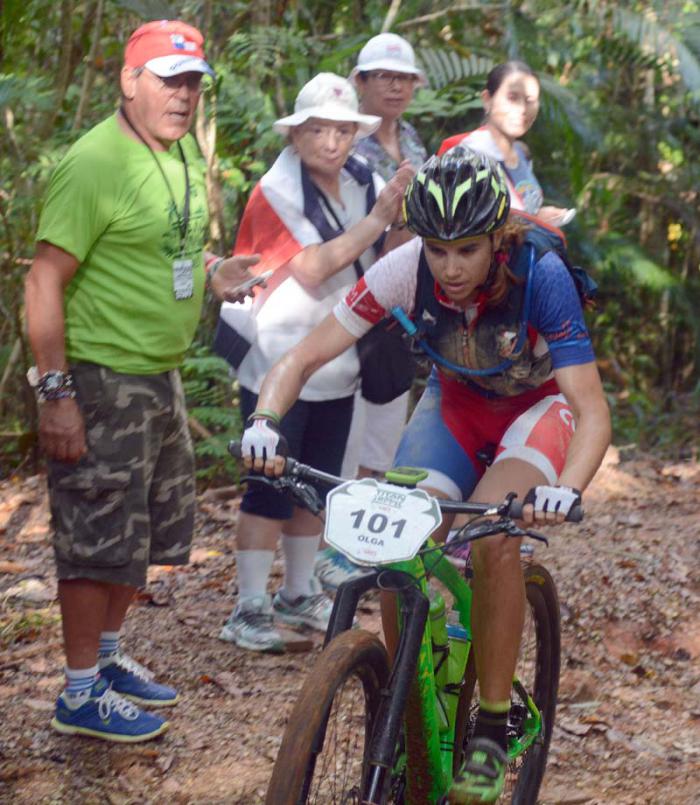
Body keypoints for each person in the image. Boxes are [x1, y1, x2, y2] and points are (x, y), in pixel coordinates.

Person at [236, 147, 611, 802]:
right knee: (393, 544)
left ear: (498, 237)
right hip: (454, 409)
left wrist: (566, 488)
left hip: (534, 411)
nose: (451, 266)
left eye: (467, 249)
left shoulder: (540, 276)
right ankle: (409, 712)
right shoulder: (402, 270)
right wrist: (266, 419)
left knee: (495, 536)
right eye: (438, 249)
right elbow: (300, 355)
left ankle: (491, 725)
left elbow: (590, 408)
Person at [24, 20, 259, 743]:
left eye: (193, 82)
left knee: (140, 534)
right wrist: (55, 392)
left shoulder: (180, 147)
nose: (183, 95)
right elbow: (42, 281)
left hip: (160, 376)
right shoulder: (94, 163)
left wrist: (215, 274)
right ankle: (78, 691)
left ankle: (109, 658)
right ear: (129, 80)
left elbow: (165, 243)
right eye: (168, 79)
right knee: (95, 538)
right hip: (100, 379)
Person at [216, 73, 413, 653]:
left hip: (338, 357)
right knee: (268, 483)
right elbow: (310, 267)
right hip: (278, 356)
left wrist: (399, 216)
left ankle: (298, 593)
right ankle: (249, 604)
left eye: (342, 130)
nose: (332, 141)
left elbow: (389, 256)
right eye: (318, 130)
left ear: (357, 133)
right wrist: (379, 219)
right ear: (296, 135)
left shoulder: (363, 178)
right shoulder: (275, 189)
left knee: (319, 483)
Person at [312, 33, 430, 591]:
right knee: (346, 434)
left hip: (403, 303)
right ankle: (329, 555)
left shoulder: (412, 141)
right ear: (359, 82)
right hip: (349, 299)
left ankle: (362, 551)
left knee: (384, 431)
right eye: (384, 76)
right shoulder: (343, 148)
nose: (396, 86)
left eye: (404, 78)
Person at [438, 60, 572, 227]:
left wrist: (540, 216)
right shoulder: (465, 153)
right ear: (487, 100)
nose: (522, 109)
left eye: (530, 100)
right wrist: (534, 222)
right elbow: (455, 224)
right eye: (512, 98)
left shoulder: (521, 154)